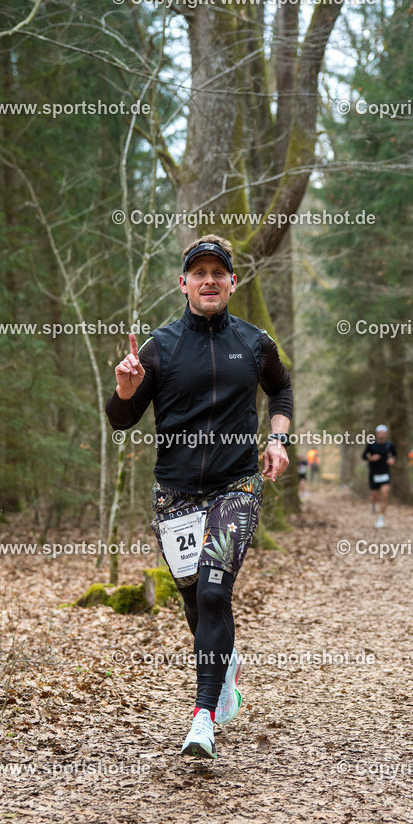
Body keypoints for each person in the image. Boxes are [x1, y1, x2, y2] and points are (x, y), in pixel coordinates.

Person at [106, 235, 293, 760]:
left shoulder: (255, 343)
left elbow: (281, 389)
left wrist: (277, 438)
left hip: (236, 486)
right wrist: (125, 387)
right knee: (195, 601)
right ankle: (224, 668)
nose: (209, 280)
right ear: (183, 283)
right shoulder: (159, 348)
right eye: (199, 272)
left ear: (233, 282)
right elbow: (122, 419)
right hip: (176, 494)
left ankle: (203, 717)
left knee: (214, 592)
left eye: (219, 272)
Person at [362, 424, 396, 528]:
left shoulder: (389, 445)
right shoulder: (371, 445)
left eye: (383, 432)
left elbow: (395, 454)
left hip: (385, 473)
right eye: (379, 432)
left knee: (385, 495)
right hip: (374, 474)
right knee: (375, 495)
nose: (381, 434)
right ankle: (373, 503)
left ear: (385, 434)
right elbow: (363, 456)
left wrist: (392, 459)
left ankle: (380, 519)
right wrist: (371, 458)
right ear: (377, 434)